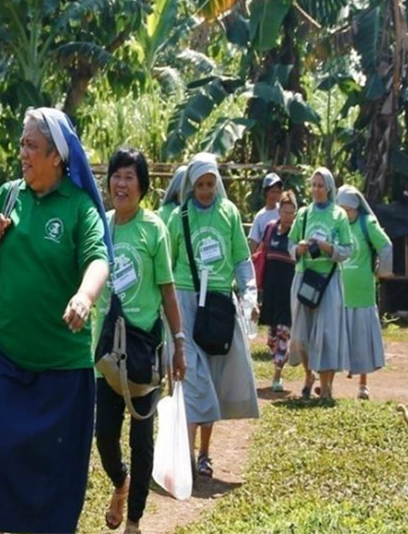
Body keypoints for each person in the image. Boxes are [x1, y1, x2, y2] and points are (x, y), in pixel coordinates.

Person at [0, 107, 110, 534]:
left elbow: (98, 259)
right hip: (4, 359)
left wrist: (83, 295)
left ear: (57, 156)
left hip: (62, 372)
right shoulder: (9, 194)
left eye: (32, 146)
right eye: (22, 143)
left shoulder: (78, 208)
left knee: (51, 478)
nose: (23, 153)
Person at [95, 147, 187, 534]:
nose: (121, 183)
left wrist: (179, 343)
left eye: (130, 176)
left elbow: (167, 291)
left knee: (142, 438)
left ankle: (134, 520)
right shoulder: (101, 226)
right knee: (104, 436)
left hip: (142, 349)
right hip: (103, 352)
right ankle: (120, 481)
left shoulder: (154, 229)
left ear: (142, 185)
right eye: (117, 175)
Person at [168, 152, 259, 479]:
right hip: (186, 302)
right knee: (195, 379)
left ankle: (204, 453)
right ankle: (187, 459)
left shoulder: (229, 213)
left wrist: (250, 294)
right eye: (200, 184)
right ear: (191, 184)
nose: (206, 190)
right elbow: (168, 263)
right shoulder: (178, 217)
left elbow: (241, 258)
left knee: (216, 379)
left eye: (211, 183)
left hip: (219, 304)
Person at [289, 168, 351, 401]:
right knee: (300, 336)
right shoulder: (304, 214)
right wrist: (299, 249)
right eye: (313, 185)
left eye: (321, 185)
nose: (316, 190)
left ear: (329, 188)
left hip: (328, 281)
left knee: (327, 334)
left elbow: (348, 249)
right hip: (304, 278)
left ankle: (326, 388)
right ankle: (308, 374)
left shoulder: (338, 215)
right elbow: (290, 242)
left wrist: (326, 247)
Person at [336, 185, 393, 400]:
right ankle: (328, 382)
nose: (344, 214)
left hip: (362, 293)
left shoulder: (366, 224)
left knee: (361, 340)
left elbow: (386, 246)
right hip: (339, 292)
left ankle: (363, 384)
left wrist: (381, 271)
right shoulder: (336, 223)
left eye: (347, 210)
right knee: (335, 338)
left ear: (356, 209)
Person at [257, 189, 298, 393]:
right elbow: (262, 254)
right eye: (285, 212)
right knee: (271, 338)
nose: (288, 216)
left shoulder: (298, 233)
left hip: (288, 292)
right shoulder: (270, 229)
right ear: (279, 211)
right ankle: (281, 356)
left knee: (283, 332)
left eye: (292, 213)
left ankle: (277, 375)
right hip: (271, 290)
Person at [248, 172, 283, 252]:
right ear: (266, 193)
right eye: (272, 192)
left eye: (278, 192)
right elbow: (253, 242)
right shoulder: (260, 216)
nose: (275, 195)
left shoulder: (283, 211)